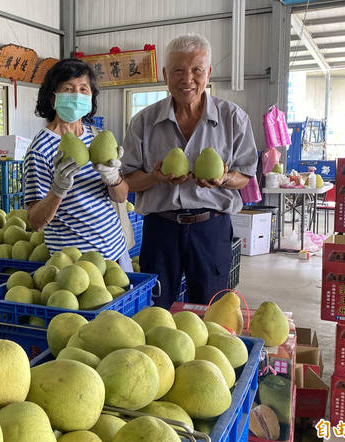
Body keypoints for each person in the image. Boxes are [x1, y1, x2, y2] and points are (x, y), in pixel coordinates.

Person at [122, 33, 258, 308]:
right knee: (155, 310)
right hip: (161, 228)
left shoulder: (233, 119)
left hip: (211, 227)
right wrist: (154, 177)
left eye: (196, 70)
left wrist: (224, 179)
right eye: (178, 70)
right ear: (165, 74)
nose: (187, 79)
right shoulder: (144, 122)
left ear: (208, 73)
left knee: (209, 311)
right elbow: (128, 181)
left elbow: (245, 175)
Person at [23, 58, 132, 271]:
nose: (77, 95)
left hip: (117, 253)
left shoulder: (97, 137)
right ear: (53, 97)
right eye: (68, 88)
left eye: (84, 89)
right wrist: (58, 188)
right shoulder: (39, 149)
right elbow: (35, 222)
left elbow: (121, 196)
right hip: (76, 264)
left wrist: (113, 178)